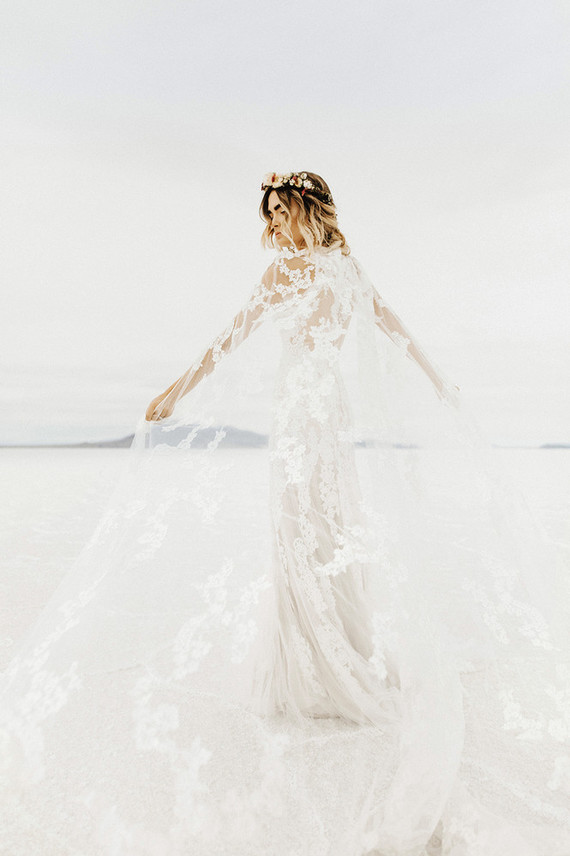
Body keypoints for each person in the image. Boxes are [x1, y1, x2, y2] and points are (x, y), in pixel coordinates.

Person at [1, 171, 569, 855]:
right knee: (296, 534)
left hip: (330, 414)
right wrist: (175, 391)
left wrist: (438, 378)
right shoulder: (276, 276)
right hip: (293, 418)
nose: (277, 224)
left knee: (334, 532)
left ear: (308, 209)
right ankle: (304, 667)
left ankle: (347, 655)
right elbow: (228, 338)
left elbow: (390, 323)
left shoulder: (345, 268)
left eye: (283, 210)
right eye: (270, 213)